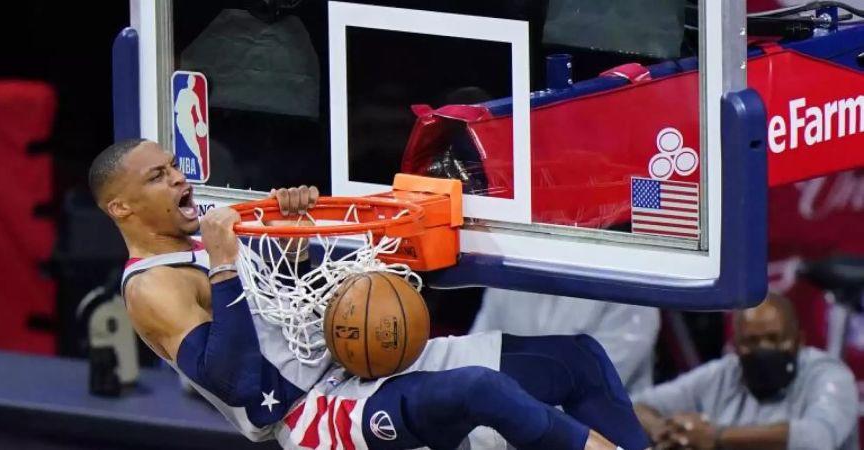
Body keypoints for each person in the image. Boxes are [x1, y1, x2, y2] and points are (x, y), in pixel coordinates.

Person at [90, 138, 651, 450]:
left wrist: (299, 234)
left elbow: (282, 300)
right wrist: (223, 265)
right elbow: (236, 383)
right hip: (313, 414)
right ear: (121, 208)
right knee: (483, 389)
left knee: (577, 360)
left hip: (358, 363)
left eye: (172, 166)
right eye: (158, 177)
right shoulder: (151, 286)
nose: (180, 179)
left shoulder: (209, 230)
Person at [632, 292, 858, 450]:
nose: (764, 349)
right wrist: (668, 432)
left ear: (799, 340)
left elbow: (816, 439)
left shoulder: (830, 375)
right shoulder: (725, 373)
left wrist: (717, 437)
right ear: (736, 346)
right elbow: (637, 406)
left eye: (774, 339)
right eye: (752, 341)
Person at [472, 290, 661, 394]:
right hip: (500, 429)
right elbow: (472, 360)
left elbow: (589, 390)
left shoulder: (631, 290)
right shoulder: (509, 271)